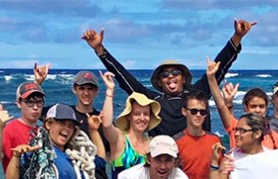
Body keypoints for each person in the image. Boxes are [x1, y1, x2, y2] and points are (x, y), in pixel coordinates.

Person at [82, 19, 254, 136]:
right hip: (163, 166)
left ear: (184, 78)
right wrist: (100, 50)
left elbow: (220, 66)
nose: (170, 77)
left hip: (196, 164)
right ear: (159, 81)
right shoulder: (153, 100)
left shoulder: (197, 94)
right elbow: (125, 78)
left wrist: (237, 37)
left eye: (175, 73)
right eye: (165, 75)